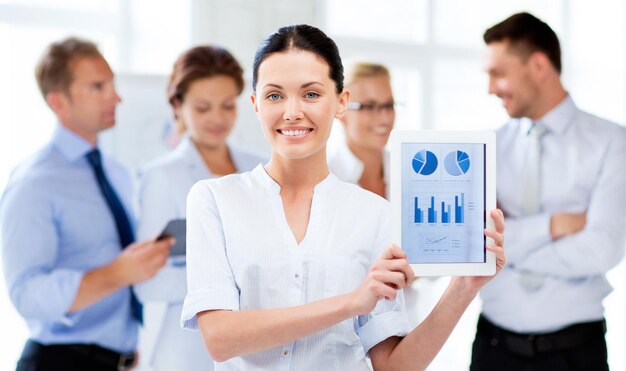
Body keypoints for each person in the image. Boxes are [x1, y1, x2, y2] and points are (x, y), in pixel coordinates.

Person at [180, 24, 506, 370]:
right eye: (275, 96)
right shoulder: (214, 199)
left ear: (341, 103)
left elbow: (394, 366)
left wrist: (464, 288)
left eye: (311, 94)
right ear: (256, 104)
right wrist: (352, 302)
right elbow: (219, 339)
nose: (292, 112)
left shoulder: (376, 214)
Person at [0, 37, 173, 371]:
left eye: (112, 84)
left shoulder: (118, 173)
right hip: (59, 362)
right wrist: (116, 274)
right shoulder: (34, 182)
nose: (117, 97)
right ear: (59, 102)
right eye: (98, 87)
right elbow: (26, 294)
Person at [472, 12, 626, 371]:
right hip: (492, 350)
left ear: (538, 65)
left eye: (498, 73)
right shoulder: (486, 147)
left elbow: (601, 250)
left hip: (576, 353)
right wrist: (554, 225)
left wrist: (505, 248)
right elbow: (473, 244)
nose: (490, 88)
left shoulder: (612, 143)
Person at [134, 45, 266, 371]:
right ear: (178, 105)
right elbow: (149, 283)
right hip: (187, 352)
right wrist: (229, 281)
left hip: (254, 343)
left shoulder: (260, 168)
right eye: (203, 108)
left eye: (227, 106)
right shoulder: (161, 177)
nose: (218, 119)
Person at [328, 62, 394, 199]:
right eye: (369, 106)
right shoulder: (325, 180)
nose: (385, 118)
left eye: (389, 105)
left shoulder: (409, 173)